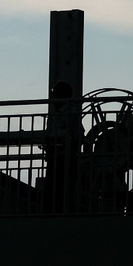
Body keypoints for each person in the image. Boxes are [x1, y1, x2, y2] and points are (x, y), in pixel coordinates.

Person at [42, 80, 83, 213]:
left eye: (55, 94)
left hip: (63, 158)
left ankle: (58, 213)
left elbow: (78, 135)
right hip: (57, 157)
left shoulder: (69, 113)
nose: (52, 97)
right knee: (57, 190)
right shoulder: (59, 113)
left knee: (59, 190)